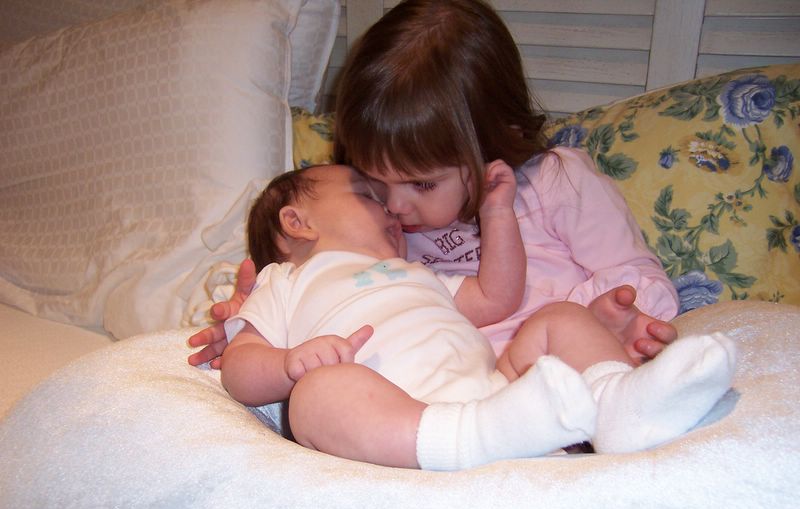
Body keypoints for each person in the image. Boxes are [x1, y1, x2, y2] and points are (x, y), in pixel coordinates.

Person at [189, 0, 679, 373]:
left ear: (491, 140)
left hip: (554, 368)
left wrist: (602, 316)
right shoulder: (375, 233)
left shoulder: (557, 182)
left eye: (422, 183)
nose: (395, 205)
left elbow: (641, 278)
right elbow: (327, 296)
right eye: (374, 181)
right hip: (440, 395)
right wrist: (251, 328)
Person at [220, 164, 736, 471]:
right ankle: (472, 439)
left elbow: (496, 298)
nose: (393, 207)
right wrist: (288, 364)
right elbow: (239, 369)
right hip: (400, 424)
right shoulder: (284, 282)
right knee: (317, 396)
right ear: (297, 222)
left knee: (559, 319)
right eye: (370, 195)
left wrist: (497, 214)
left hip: (495, 393)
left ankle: (618, 404)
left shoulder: (419, 273)